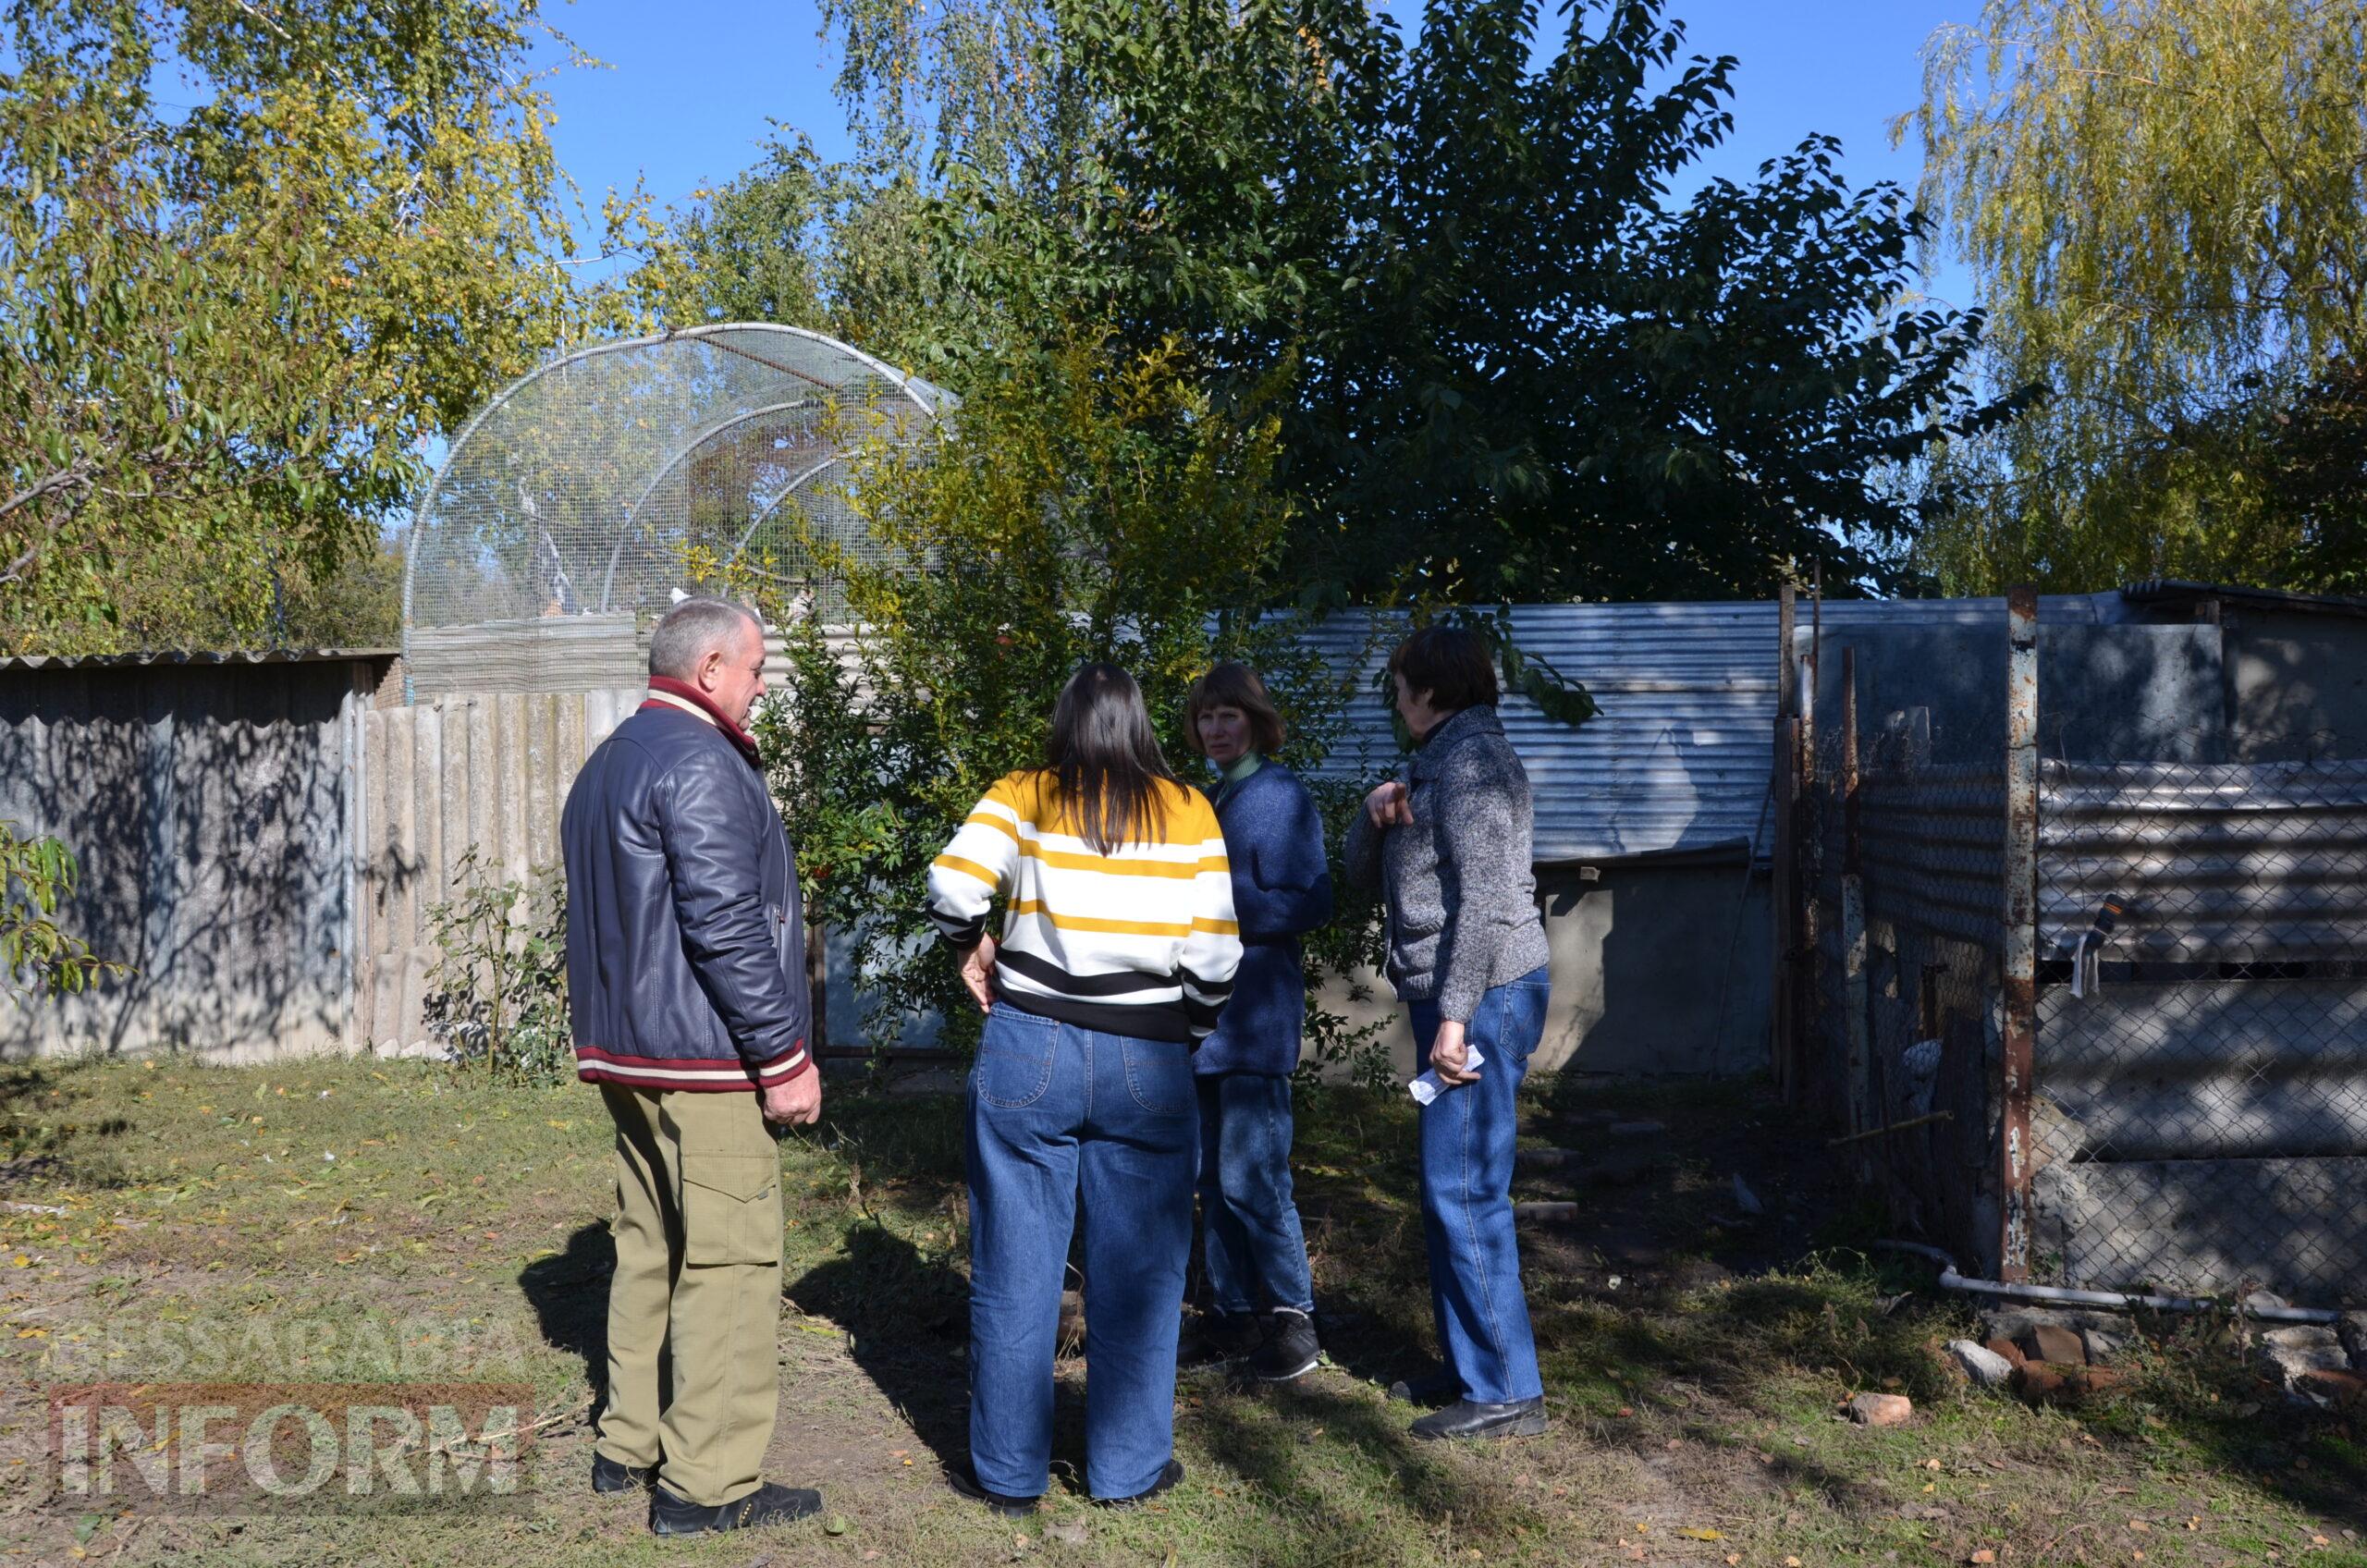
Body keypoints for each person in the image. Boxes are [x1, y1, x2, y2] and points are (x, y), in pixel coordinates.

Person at [925, 663, 1242, 1513]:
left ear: (1065, 720)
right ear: (1142, 723)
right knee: (1141, 1270)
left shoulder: (1024, 793)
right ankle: (1128, 1470)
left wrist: (972, 945)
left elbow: (951, 884)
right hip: (1151, 1057)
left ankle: (1007, 1475)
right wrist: (1191, 1033)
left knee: (1014, 1264)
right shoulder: (1188, 809)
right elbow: (1216, 957)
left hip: (1033, 1046)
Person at [559, 596, 827, 1536]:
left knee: (648, 1246)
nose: (762, 687)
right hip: (705, 1059)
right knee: (729, 1259)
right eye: (756, 669)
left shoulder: (609, 761)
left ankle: (625, 1444)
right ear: (710, 668)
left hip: (628, 1055)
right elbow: (724, 927)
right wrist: (784, 1055)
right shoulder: (701, 762)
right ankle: (706, 1485)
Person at [1343, 624, 1553, 1442]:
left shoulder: (1473, 768)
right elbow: (1362, 876)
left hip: (1486, 994)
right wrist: (1373, 815)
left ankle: (1506, 1388)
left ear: (1434, 692)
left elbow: (1492, 904)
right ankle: (1473, 1366)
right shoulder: (1434, 765)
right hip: (1457, 995)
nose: (1396, 700)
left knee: (1464, 1187)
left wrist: (1458, 1015)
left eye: (1401, 687)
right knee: (1447, 1188)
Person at [1181, 663, 1332, 1382]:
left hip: (1255, 1017)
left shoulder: (1276, 795)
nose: (1215, 729)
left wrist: (1215, 912)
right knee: (1212, 1176)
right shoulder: (1211, 795)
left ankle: (1294, 1324)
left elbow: (1310, 900)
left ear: (1256, 721)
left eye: (1228, 717)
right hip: (1205, 1023)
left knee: (1255, 1178)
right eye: (1206, 718)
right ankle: (1233, 1318)